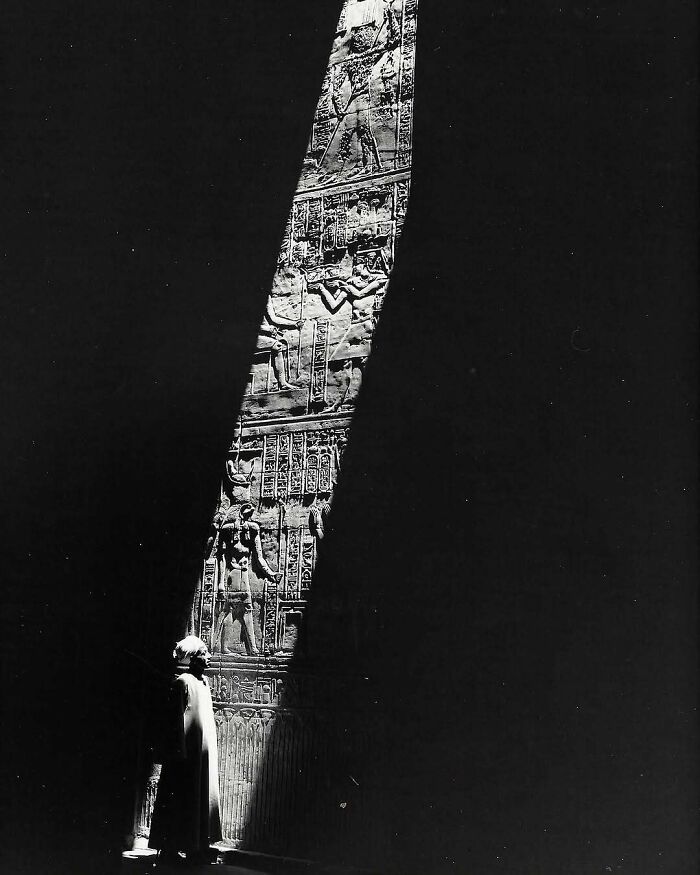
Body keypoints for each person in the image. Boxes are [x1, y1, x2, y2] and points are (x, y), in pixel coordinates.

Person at [149, 636, 222, 866]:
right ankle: (171, 848)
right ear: (192, 658)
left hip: (200, 753)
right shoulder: (183, 682)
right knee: (181, 799)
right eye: (203, 653)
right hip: (185, 755)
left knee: (197, 798)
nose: (208, 657)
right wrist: (178, 752)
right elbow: (174, 721)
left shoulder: (203, 683)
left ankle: (195, 846)